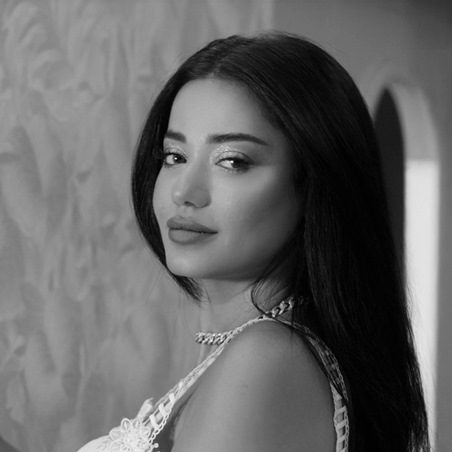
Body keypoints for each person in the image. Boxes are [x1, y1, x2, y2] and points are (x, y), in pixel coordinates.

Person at [78, 32, 430, 452]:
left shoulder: (265, 358)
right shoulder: (264, 351)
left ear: (313, 187)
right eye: (175, 156)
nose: (184, 191)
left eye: (232, 161)